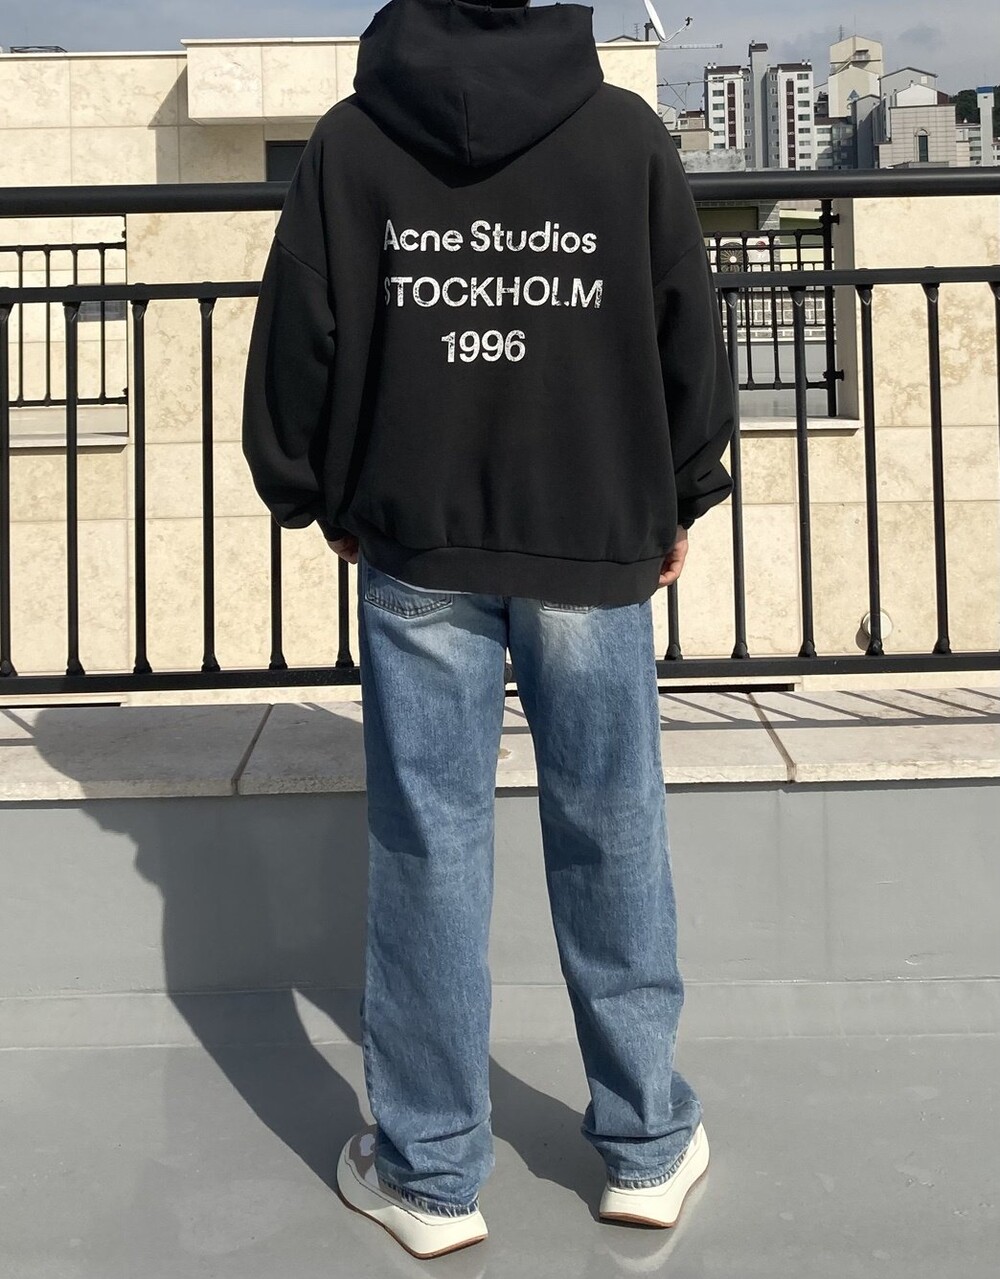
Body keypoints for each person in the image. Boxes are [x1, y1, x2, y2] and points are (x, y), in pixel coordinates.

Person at [242, 0, 735, 1260]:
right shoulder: (623, 136)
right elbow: (688, 326)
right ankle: (646, 1144)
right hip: (591, 532)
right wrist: (681, 492)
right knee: (612, 828)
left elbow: (299, 337)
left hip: (416, 542)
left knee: (428, 846)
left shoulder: (352, 143)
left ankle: (428, 1174)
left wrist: (310, 495)